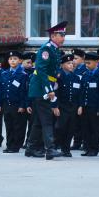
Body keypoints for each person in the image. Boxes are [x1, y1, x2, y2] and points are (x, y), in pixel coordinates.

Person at [26, 21, 67, 160]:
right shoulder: (46, 49)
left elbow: (51, 70)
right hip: (41, 88)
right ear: (53, 35)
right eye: (61, 35)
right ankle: (50, 149)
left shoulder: (54, 49)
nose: (63, 38)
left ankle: (30, 148)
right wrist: (49, 89)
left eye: (64, 35)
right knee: (47, 120)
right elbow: (41, 70)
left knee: (38, 120)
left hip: (44, 86)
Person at [0, 51, 28, 153]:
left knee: (18, 126)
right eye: (10, 59)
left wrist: (22, 105)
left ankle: (16, 146)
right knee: (8, 126)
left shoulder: (23, 74)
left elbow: (24, 91)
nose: (12, 61)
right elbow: (1, 90)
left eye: (15, 59)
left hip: (17, 105)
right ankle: (9, 145)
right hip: (7, 104)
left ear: (20, 61)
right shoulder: (5, 73)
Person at [78, 52, 99, 157]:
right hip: (85, 106)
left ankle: (94, 148)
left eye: (89, 63)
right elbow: (82, 91)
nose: (87, 65)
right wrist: (80, 105)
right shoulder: (85, 74)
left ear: (96, 62)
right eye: (86, 63)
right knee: (86, 128)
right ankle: (87, 148)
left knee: (95, 129)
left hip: (95, 107)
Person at [54, 54, 81, 157]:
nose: (71, 65)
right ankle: (56, 145)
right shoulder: (58, 76)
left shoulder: (76, 77)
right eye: (68, 63)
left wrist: (79, 105)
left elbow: (78, 93)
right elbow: (56, 92)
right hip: (62, 105)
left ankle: (66, 148)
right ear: (62, 65)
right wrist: (56, 106)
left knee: (71, 128)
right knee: (60, 127)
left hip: (73, 106)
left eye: (72, 63)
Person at [71, 48, 87, 151]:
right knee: (75, 123)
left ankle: (84, 142)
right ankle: (76, 142)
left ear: (83, 59)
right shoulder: (72, 68)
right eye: (72, 58)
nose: (73, 60)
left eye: (76, 58)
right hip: (74, 99)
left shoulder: (85, 69)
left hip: (83, 98)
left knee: (83, 123)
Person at [21, 51, 36, 148]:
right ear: (22, 62)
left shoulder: (34, 73)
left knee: (32, 124)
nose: (30, 65)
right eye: (28, 62)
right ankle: (19, 141)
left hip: (32, 102)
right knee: (21, 125)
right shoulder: (21, 73)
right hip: (22, 102)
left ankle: (28, 141)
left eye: (32, 63)